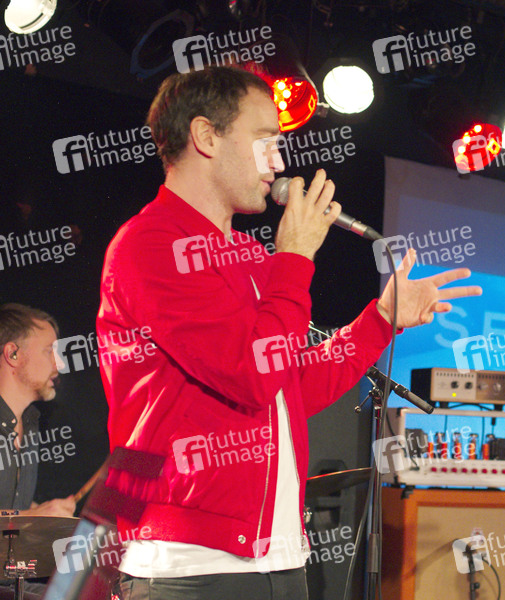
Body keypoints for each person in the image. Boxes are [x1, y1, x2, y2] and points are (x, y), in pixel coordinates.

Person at [97, 65, 480, 600]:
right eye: (266, 141)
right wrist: (295, 256)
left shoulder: (252, 257)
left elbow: (290, 387)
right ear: (206, 136)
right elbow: (249, 375)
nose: (278, 163)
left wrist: (378, 321)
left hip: (280, 557)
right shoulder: (151, 244)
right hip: (192, 566)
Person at [0, 303, 76, 517]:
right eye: (49, 351)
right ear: (13, 354)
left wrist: (46, 513)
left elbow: (11, 507)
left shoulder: (30, 424)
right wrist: (32, 517)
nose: (59, 365)